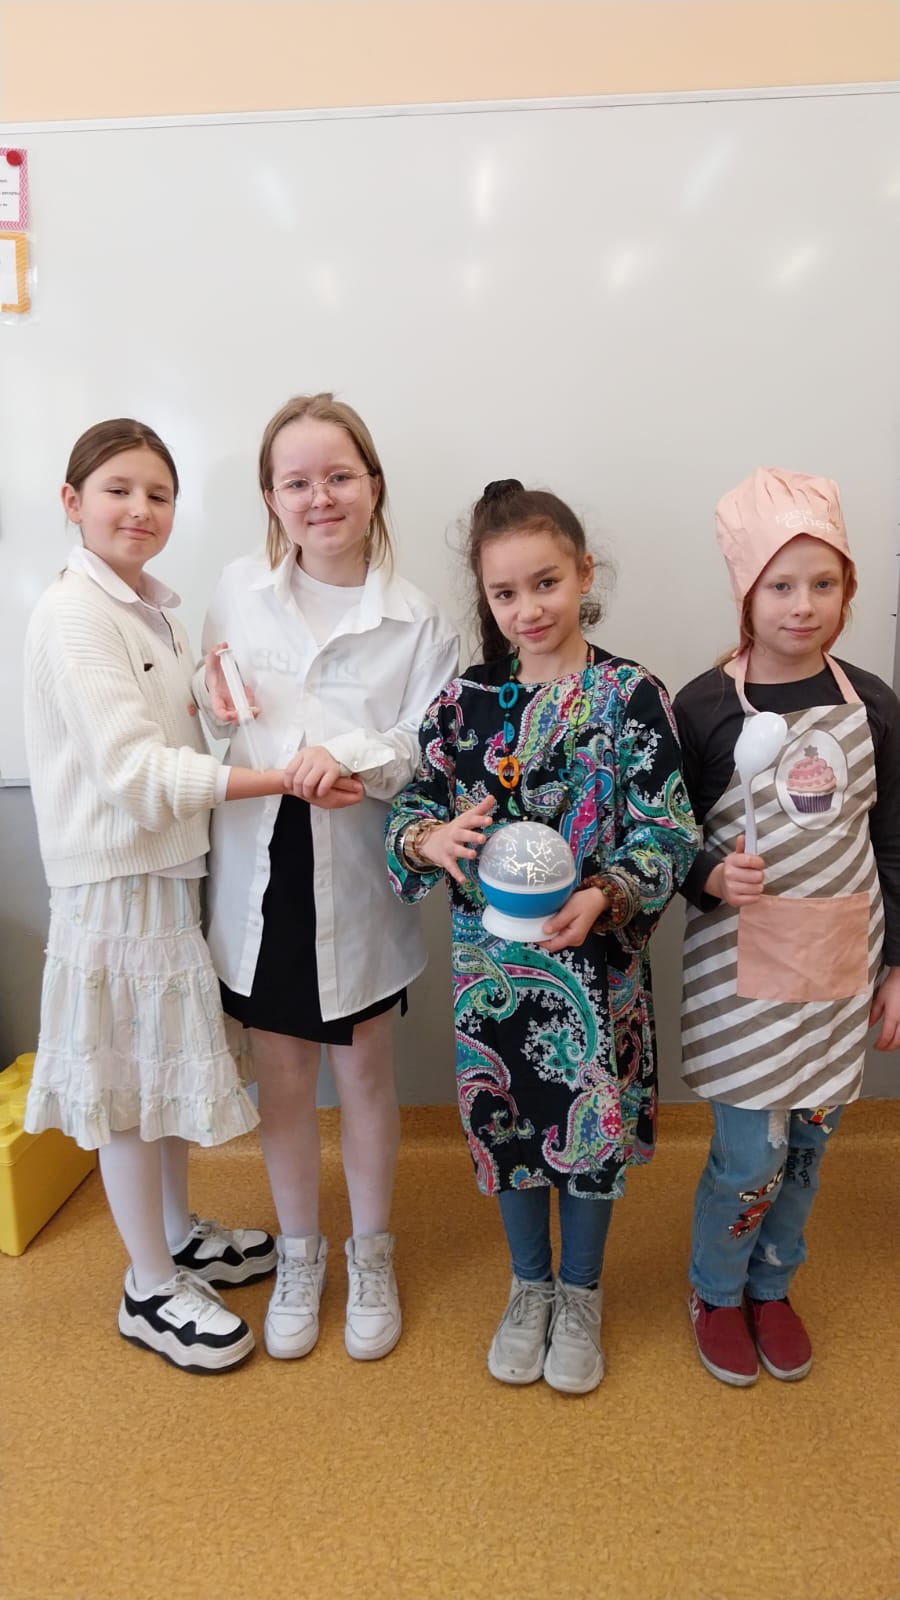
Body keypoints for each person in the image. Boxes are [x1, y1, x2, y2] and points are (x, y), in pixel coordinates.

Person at [22, 418, 320, 1373]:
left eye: (158, 493)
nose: (140, 509)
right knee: (127, 1089)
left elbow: (174, 743)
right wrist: (276, 780)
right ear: (73, 502)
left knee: (160, 1074)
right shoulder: (74, 614)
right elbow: (133, 774)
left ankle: (178, 1235)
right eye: (118, 490)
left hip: (170, 872)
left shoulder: (153, 610)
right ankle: (147, 1287)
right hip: (116, 884)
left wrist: (217, 709)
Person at [386, 479, 698, 1394]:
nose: (528, 608)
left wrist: (607, 894)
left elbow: (670, 830)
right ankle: (529, 1287)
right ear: (485, 599)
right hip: (492, 974)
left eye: (546, 583)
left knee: (589, 1132)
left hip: (597, 970)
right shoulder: (462, 705)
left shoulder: (631, 696)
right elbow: (411, 808)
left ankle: (581, 1293)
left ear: (584, 574)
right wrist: (428, 838)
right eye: (505, 593)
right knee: (506, 1119)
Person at [195, 393, 458, 1363]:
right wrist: (210, 698)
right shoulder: (237, 590)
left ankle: (371, 1253)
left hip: (354, 871)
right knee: (283, 1078)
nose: (320, 497)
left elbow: (426, 744)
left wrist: (345, 753)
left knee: (365, 1075)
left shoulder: (417, 618)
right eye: (297, 482)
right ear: (271, 497)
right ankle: (301, 1253)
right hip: (260, 872)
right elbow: (213, 713)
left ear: (373, 484)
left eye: (339, 476)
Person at [675, 467, 900, 1387]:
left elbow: (893, 840)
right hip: (742, 979)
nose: (802, 605)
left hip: (842, 969)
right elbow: (664, 839)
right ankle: (715, 1290)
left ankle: (773, 1286)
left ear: (847, 589)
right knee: (748, 1157)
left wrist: (898, 967)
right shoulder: (703, 708)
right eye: (780, 585)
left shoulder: (873, 704)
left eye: (823, 583)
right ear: (746, 592)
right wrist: (709, 873)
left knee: (807, 1149)